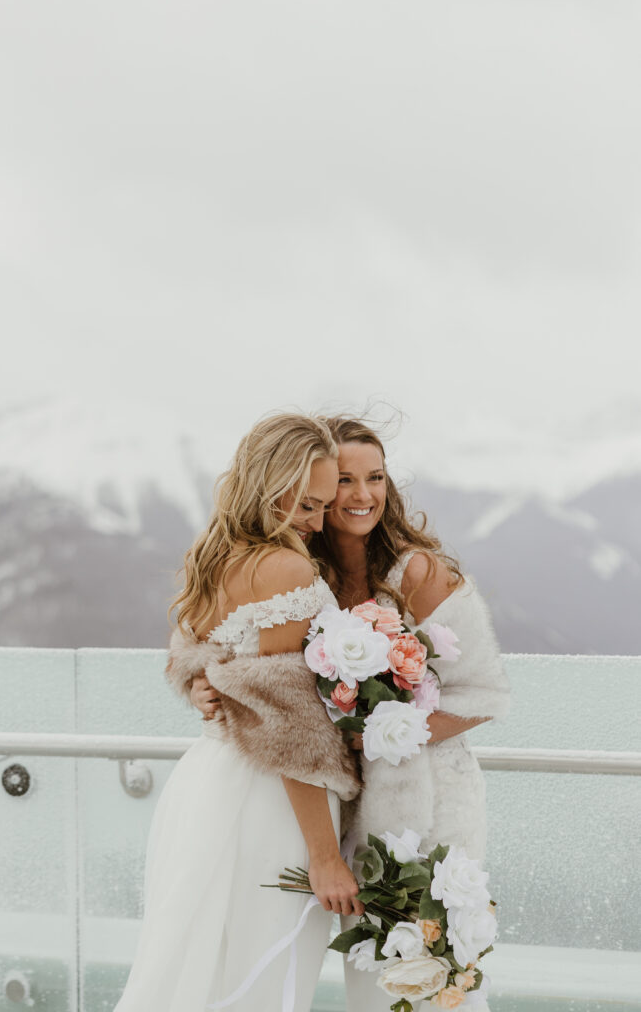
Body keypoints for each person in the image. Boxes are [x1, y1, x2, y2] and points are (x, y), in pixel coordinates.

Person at [193, 415, 509, 1012]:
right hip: (340, 802)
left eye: (377, 478)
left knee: (426, 969)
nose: (363, 495)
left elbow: (483, 696)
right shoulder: (301, 572)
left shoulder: (418, 571)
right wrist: (202, 686)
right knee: (370, 976)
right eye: (344, 480)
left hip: (429, 797)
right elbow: (233, 654)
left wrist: (388, 733)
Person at [115, 413, 363, 1012]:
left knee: (205, 970)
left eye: (323, 507)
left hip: (208, 785)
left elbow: (202, 659)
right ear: (265, 483)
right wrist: (326, 856)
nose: (314, 523)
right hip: (270, 804)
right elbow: (286, 728)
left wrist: (204, 685)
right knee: (264, 979)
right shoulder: (286, 569)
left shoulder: (215, 557)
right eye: (305, 505)